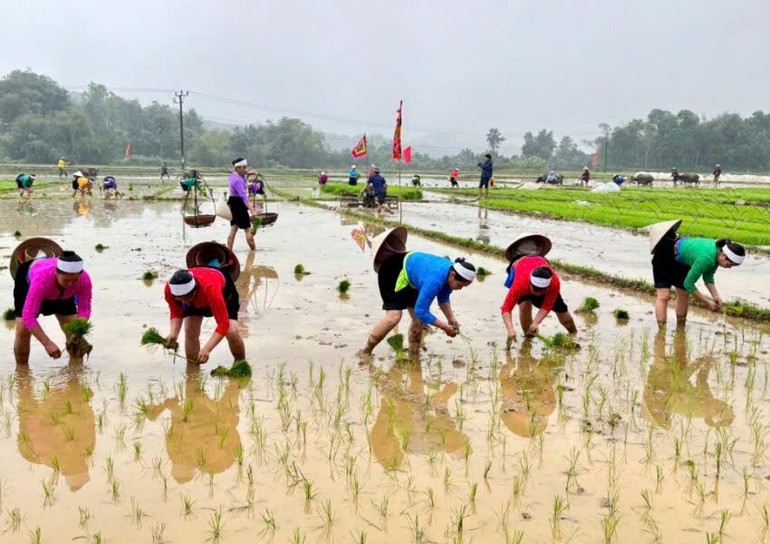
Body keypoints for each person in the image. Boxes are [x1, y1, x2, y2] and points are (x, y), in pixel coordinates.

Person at [357, 227, 476, 360]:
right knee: (394, 317)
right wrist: (445, 327)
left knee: (417, 320)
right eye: (460, 285)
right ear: (452, 274)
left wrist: (451, 318)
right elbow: (421, 311)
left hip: (414, 278)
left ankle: (414, 356)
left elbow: (443, 298)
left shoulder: (450, 273)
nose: (460, 289)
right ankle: (366, 350)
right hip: (393, 270)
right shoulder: (435, 279)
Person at [649, 219, 745, 328]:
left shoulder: (718, 253)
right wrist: (706, 302)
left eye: (733, 266)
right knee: (664, 295)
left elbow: (708, 276)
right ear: (723, 255)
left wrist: (715, 295)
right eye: (730, 264)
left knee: (683, 294)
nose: (729, 267)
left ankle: (680, 329)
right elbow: (688, 284)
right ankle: (661, 332)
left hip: (682, 261)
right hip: (665, 255)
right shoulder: (707, 258)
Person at [13, 250, 92, 366]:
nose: (70, 283)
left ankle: (75, 374)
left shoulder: (84, 280)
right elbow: (28, 316)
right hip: (29, 283)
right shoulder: (42, 279)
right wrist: (47, 343)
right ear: (56, 272)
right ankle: (22, 374)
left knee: (71, 328)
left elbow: (84, 310)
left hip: (64, 294)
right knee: (23, 329)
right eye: (66, 280)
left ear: (80, 274)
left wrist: (78, 330)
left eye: (75, 280)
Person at [163, 268, 245, 365]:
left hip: (223, 294)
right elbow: (176, 311)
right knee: (190, 331)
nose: (184, 301)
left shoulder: (210, 288)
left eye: (186, 297)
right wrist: (173, 334)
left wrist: (207, 349)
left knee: (232, 331)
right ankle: (193, 370)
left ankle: (240, 364)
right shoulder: (170, 289)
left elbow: (223, 324)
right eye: (180, 298)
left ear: (194, 289)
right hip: (196, 300)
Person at [500, 255, 577, 346]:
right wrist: (510, 329)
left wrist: (536, 322)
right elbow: (506, 308)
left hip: (539, 262)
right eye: (534, 289)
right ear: (530, 283)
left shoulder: (554, 283)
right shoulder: (520, 283)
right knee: (524, 305)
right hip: (520, 268)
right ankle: (529, 341)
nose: (537, 294)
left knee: (561, 309)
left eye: (541, 291)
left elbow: (547, 305)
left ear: (548, 287)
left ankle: (574, 335)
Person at [226, 157, 258, 251]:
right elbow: (243, 196)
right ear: (238, 168)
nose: (246, 170)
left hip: (232, 202)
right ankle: (254, 251)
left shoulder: (233, 176)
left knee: (233, 228)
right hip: (239, 203)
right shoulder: (238, 180)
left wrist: (247, 175)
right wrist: (252, 210)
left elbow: (243, 183)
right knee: (248, 229)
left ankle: (229, 251)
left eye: (246, 167)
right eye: (244, 168)